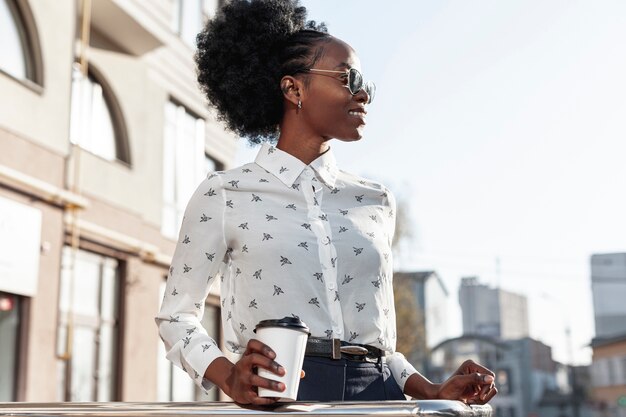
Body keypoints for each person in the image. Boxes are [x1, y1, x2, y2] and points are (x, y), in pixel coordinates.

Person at [156, 0, 497, 405]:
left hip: (381, 399)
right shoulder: (225, 193)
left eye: (364, 80)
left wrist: (432, 389)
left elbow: (382, 346)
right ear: (293, 88)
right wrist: (230, 377)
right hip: (282, 397)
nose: (363, 91)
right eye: (347, 77)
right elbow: (176, 317)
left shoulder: (376, 201)